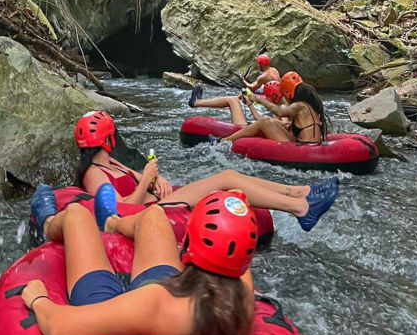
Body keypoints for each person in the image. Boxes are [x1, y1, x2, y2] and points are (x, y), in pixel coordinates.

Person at [24, 190, 258, 335]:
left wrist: (39, 299)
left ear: (187, 246)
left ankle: (47, 223)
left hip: (109, 305)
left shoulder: (155, 303)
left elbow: (59, 329)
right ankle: (112, 223)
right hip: (177, 301)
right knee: (154, 214)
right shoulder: (244, 296)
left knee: (77, 214)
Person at [74, 110, 338, 232]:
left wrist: (156, 179)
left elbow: (143, 183)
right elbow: (119, 211)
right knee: (225, 179)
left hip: (160, 200)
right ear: (109, 138)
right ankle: (301, 208)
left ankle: (298, 192)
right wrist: (146, 182)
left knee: (231, 178)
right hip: (149, 214)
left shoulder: (111, 163)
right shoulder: (94, 174)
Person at [222, 73, 327, 144]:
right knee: (269, 121)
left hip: (304, 148)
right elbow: (290, 125)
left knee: (264, 122)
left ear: (289, 94)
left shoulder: (299, 106)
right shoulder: (308, 107)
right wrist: (274, 122)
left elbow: (280, 112)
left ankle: (224, 141)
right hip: (303, 143)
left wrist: (257, 99)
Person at [187, 81, 282, 126]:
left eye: (267, 96)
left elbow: (262, 121)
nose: (265, 98)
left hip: (244, 128)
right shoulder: (279, 108)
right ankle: (198, 102)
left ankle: (197, 102)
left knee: (232, 100)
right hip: (250, 127)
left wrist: (249, 104)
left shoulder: (281, 111)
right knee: (233, 100)